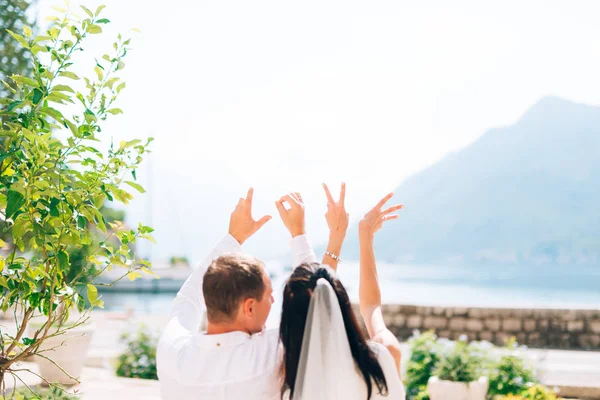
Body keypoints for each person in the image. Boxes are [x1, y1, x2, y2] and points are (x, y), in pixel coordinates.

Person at [157, 188, 329, 399]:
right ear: (249, 307)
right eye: (269, 295)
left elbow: (188, 298)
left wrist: (233, 237)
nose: (274, 300)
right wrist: (298, 234)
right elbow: (316, 308)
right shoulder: (269, 355)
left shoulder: (173, 352)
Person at [279, 185, 406, 400]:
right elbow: (371, 306)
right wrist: (364, 236)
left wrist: (311, 236)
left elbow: (316, 295)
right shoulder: (381, 358)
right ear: (341, 304)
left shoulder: (281, 376)